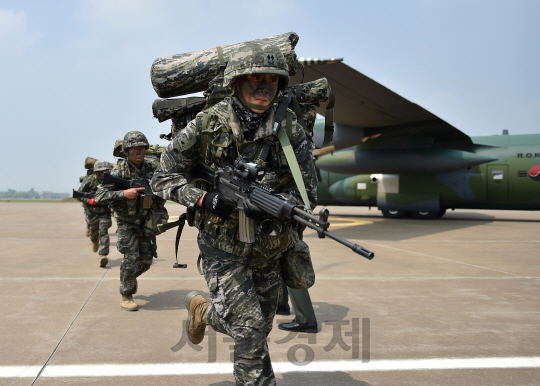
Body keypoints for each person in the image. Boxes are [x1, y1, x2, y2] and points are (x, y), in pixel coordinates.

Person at [151, 42, 318, 385]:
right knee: (249, 330)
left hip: (269, 248)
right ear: (235, 83)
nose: (263, 88)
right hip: (221, 247)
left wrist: (280, 202)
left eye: (272, 81)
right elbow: (162, 177)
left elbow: (308, 192)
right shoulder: (206, 124)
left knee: (259, 328)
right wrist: (203, 199)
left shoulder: (290, 128)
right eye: (254, 79)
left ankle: (202, 312)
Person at [95, 131, 166, 311]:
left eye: (142, 148)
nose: (139, 152)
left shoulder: (152, 168)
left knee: (146, 260)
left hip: (147, 221)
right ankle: (126, 294)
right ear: (126, 151)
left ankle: (128, 277)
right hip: (127, 222)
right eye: (134, 149)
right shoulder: (119, 171)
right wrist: (123, 193)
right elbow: (100, 195)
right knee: (131, 257)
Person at [76, 160, 113, 267]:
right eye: (99, 172)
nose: (101, 174)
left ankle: (103, 255)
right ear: (94, 172)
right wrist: (88, 200)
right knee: (94, 233)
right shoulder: (89, 181)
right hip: (92, 212)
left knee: (103, 230)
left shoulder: (111, 181)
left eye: (104, 172)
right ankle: (94, 241)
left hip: (105, 212)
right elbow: (78, 194)